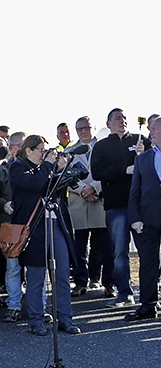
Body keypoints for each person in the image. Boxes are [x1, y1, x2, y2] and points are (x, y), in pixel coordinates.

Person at [9, 135, 80, 336]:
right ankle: (36, 320)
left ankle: (65, 318)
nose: (44, 153)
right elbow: (35, 185)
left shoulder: (46, 169)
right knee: (36, 277)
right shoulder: (17, 168)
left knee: (62, 274)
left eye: (45, 149)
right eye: (40, 149)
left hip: (55, 224)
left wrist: (61, 170)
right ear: (28, 150)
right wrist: (49, 166)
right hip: (34, 229)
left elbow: (58, 190)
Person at [91, 108, 148, 308]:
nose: (122, 121)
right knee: (119, 253)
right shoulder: (102, 146)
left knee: (147, 251)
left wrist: (143, 156)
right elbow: (97, 172)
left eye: (124, 118)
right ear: (108, 124)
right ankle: (124, 293)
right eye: (117, 118)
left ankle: (150, 295)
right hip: (116, 206)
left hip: (141, 206)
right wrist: (124, 170)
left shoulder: (141, 140)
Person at [67, 116, 114, 297]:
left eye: (86, 127)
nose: (84, 131)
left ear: (93, 128)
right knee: (79, 249)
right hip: (79, 204)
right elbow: (68, 176)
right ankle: (80, 282)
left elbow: (107, 172)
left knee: (105, 247)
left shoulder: (104, 148)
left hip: (100, 202)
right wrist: (83, 190)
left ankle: (109, 283)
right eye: (80, 129)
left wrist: (93, 188)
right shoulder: (70, 151)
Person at [125, 115, 161, 321]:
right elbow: (134, 192)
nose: (151, 133)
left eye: (155, 129)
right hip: (147, 220)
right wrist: (135, 218)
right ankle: (148, 306)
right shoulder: (142, 158)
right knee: (148, 263)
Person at [0, 131, 26, 322]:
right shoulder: (1, 171)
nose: (23, 149)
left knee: (35, 268)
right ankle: (13, 306)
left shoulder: (37, 169)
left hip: (31, 224)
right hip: (11, 226)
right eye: (20, 145)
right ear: (11, 148)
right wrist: (3, 204)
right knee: (12, 268)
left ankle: (37, 306)